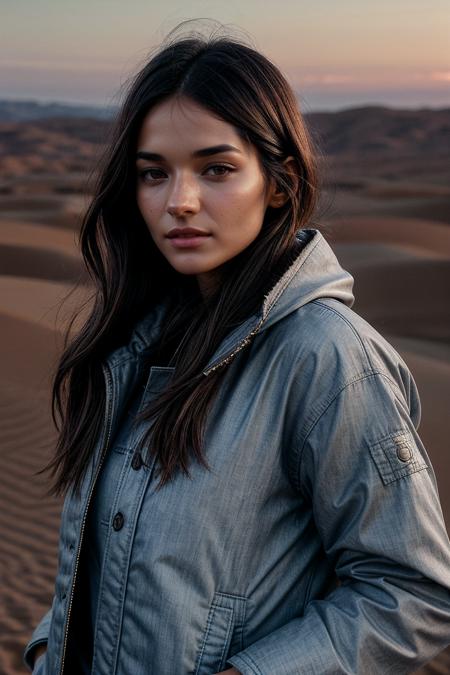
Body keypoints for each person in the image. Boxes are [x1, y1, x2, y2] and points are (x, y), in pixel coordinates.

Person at [24, 22, 450, 675]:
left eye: (216, 168)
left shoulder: (327, 358)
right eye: (153, 173)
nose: (180, 202)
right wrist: (51, 644)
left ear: (278, 182)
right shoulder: (129, 346)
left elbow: (415, 596)